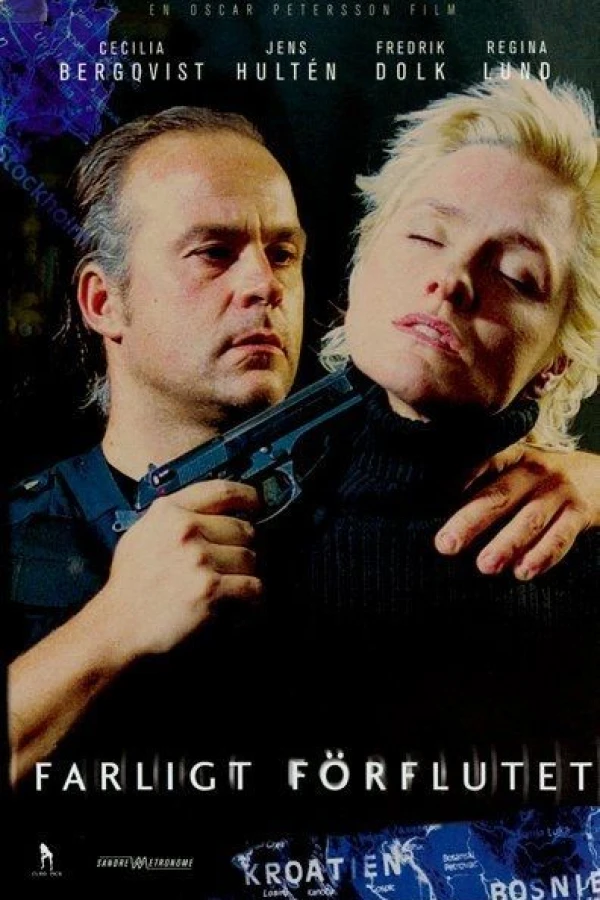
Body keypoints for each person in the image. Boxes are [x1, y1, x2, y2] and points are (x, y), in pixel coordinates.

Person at [6, 99, 599, 865]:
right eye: (213, 253)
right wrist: (110, 629)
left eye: (284, 253)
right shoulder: (29, 532)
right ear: (103, 300)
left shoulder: (440, 497)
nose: (265, 284)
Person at [260, 73, 600, 835]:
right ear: (359, 268)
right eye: (425, 236)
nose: (451, 280)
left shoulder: (583, 552)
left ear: (555, 362)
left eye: (516, 275)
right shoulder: (221, 530)